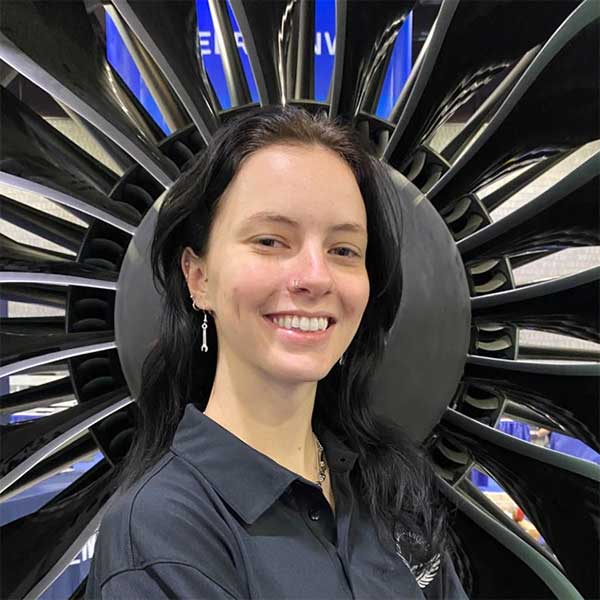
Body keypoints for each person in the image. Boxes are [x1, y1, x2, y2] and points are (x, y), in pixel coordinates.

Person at [84, 106, 470, 599]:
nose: (314, 277)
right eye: (271, 241)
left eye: (344, 250)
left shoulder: (391, 494)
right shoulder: (161, 534)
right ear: (198, 278)